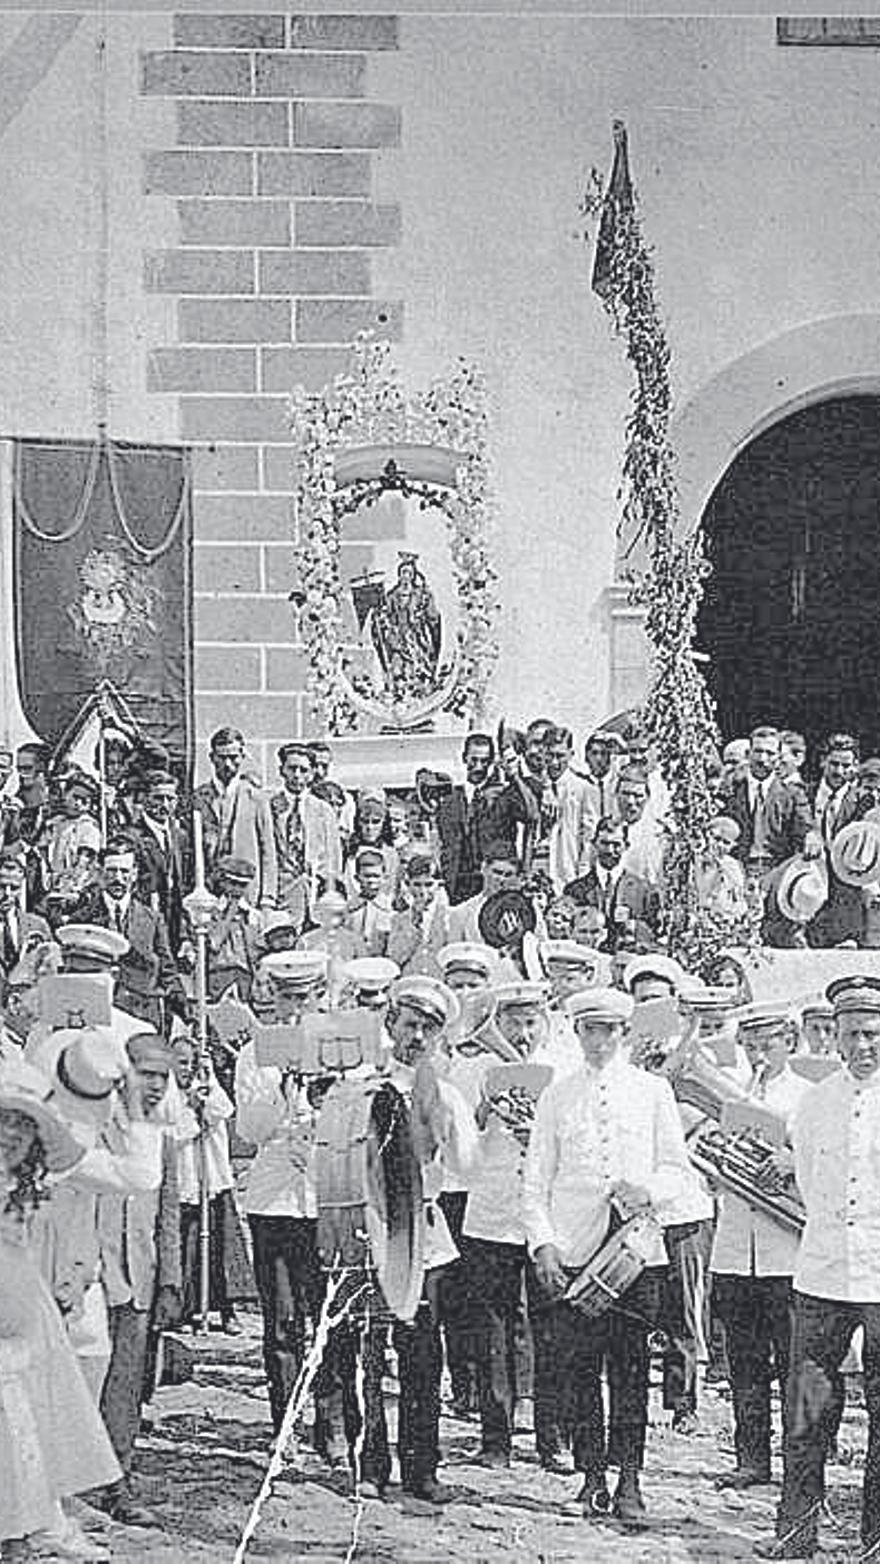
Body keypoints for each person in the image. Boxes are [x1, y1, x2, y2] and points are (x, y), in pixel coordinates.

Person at [523, 985, 692, 1526]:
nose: (599, 1041)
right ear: (576, 1033)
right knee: (578, 1370)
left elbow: (677, 1169)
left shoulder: (652, 1091)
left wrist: (648, 1190)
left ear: (625, 1034)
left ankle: (631, 1481)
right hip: (575, 1248)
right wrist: (543, 1242)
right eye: (590, 1030)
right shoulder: (556, 1095)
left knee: (630, 1368)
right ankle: (592, 1476)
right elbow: (535, 1180)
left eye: (610, 1031)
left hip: (635, 1255)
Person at [756, 975, 880, 1560]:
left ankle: (875, 1539)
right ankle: (795, 1533)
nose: (861, 1047)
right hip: (822, 1273)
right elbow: (805, 1179)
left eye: (873, 1034)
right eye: (851, 1035)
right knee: (806, 1411)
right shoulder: (816, 1100)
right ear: (835, 1037)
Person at [355, 975, 477, 1511]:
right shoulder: (362, 1084)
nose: (418, 1036)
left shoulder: (444, 1091)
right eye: (411, 1024)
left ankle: (422, 1467)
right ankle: (370, 1464)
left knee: (423, 1359)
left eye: (430, 1028)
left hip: (424, 1237)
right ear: (391, 1025)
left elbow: (465, 1168)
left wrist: (449, 1127)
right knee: (367, 1357)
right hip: (374, 1232)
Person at [0, 1059, 121, 1562]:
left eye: (22, 1127)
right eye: (3, 1122)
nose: (10, 1135)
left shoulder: (23, 1191)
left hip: (19, 1307)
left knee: (23, 1415)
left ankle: (27, 1518)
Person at [462, 981, 566, 1473]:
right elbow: (461, 1142)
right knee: (492, 1329)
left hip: (544, 1218)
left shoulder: (560, 1071)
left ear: (542, 1024)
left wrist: (540, 1131)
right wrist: (486, 1110)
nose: (522, 1034)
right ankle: (495, 1437)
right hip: (492, 1212)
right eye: (512, 1023)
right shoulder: (478, 1070)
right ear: (498, 1024)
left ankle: (553, 1438)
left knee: (550, 1329)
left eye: (530, 1023)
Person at [710, 1002, 809, 1490]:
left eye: (768, 1044)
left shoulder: (809, 1096)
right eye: (750, 1046)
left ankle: (799, 1459)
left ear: (790, 1042)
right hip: (733, 1247)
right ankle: (751, 1459)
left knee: (793, 1362)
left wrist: (794, 1159)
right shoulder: (732, 1091)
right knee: (744, 1364)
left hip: (786, 1249)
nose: (758, 1055)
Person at [92, 1032, 182, 1527]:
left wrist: (171, 1280)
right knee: (83, 1383)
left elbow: (168, 1216)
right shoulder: (92, 1126)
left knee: (126, 1388)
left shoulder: (162, 1138)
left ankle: (116, 1483)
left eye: (162, 1078)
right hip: (90, 1275)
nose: (153, 1086)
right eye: (145, 1074)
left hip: (139, 1280)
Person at [169, 1033, 251, 1334]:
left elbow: (222, 1111)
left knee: (218, 1247)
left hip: (212, 1179)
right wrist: (190, 1110)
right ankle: (185, 1307)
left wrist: (206, 1085)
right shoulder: (167, 1094)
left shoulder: (206, 1086)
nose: (186, 1069)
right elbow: (174, 1132)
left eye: (191, 1063)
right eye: (181, 1062)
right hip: (184, 1181)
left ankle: (225, 1308)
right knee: (186, 1248)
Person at [69, 839, 189, 1034]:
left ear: (134, 874)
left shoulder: (152, 919)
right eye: (111, 871)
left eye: (124, 871)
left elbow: (168, 970)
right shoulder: (82, 920)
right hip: (99, 1020)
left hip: (142, 1016)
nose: (118, 878)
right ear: (99, 873)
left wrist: (187, 1014)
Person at [436, 734, 530, 905]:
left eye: (485, 761)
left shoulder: (505, 795)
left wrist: (515, 775)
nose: (479, 767)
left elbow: (530, 815)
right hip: (458, 887)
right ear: (464, 758)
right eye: (474, 760)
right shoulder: (449, 801)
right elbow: (445, 844)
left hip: (494, 884)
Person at [192, 728, 277, 909]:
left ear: (242, 756)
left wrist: (267, 897)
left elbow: (268, 851)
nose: (228, 764)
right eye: (222, 758)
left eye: (233, 757)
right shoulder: (198, 798)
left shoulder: (257, 798)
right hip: (210, 892)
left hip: (247, 893)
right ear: (212, 757)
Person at [270, 742, 342, 933]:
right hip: (282, 897)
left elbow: (333, 859)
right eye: (292, 769)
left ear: (311, 774)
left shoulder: (323, 810)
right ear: (281, 771)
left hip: (315, 897)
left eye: (303, 770)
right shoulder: (269, 807)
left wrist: (328, 893)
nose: (297, 775)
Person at [564, 818, 661, 951]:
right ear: (594, 844)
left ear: (626, 846)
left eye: (616, 844)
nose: (610, 850)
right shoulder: (575, 890)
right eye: (604, 843)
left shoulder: (645, 891)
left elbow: (654, 934)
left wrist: (634, 927)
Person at [131, 767, 190, 953]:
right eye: (158, 798)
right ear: (144, 799)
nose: (164, 804)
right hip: (147, 919)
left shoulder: (180, 836)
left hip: (174, 921)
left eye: (170, 799)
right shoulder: (133, 837)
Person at [387, 854, 451, 978]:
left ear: (439, 885)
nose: (422, 891)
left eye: (428, 885)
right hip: (410, 981)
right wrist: (413, 926)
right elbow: (395, 958)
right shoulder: (398, 919)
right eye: (417, 884)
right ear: (408, 884)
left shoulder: (450, 916)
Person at [447, 843, 521, 945]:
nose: (501, 879)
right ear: (484, 868)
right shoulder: (461, 913)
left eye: (508, 875)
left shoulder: (527, 911)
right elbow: (453, 953)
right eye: (497, 872)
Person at [347, 846, 395, 956]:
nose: (371, 881)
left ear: (385, 878)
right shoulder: (348, 911)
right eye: (367, 876)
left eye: (376, 876)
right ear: (357, 878)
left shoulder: (391, 911)